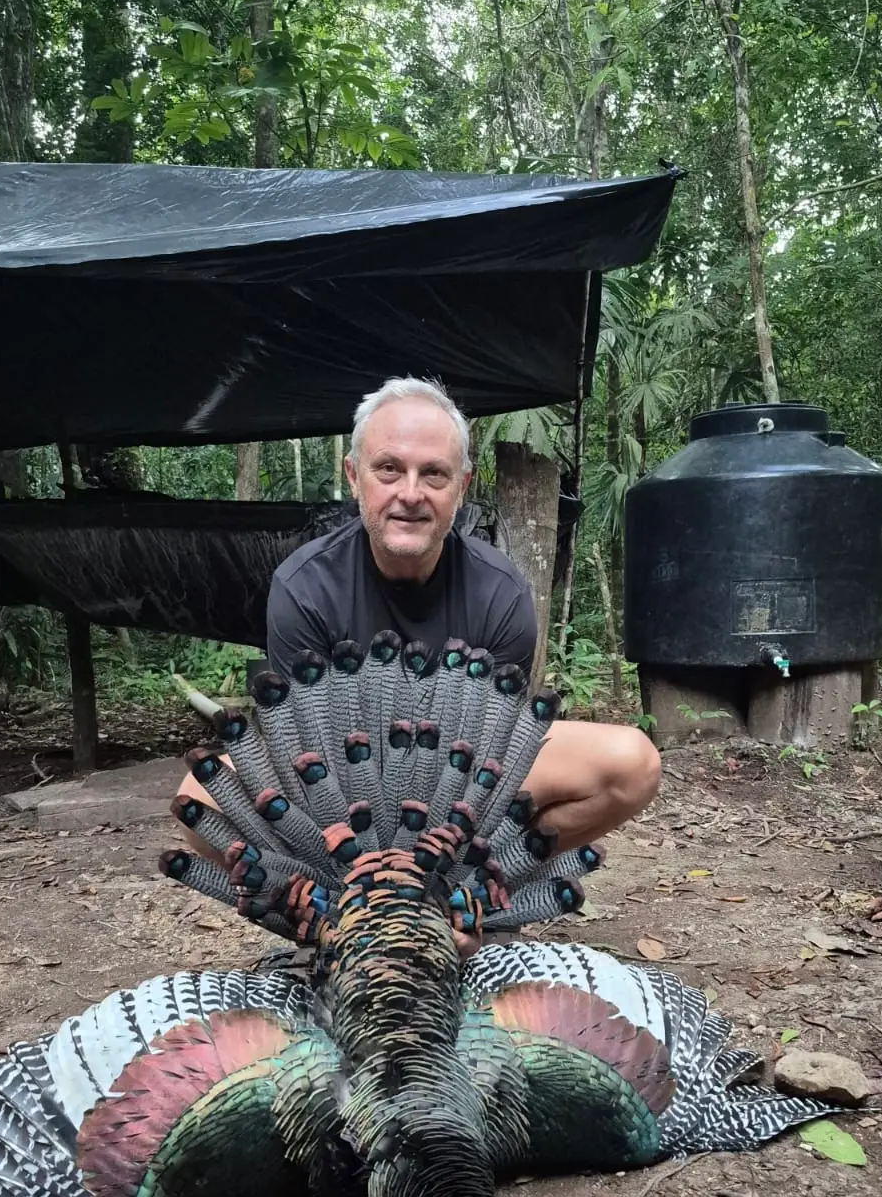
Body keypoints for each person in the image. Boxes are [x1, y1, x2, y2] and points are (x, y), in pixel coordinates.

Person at [176, 376, 662, 945]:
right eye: (389, 469)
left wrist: (443, 898)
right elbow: (305, 753)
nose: (411, 492)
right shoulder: (305, 587)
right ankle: (331, 918)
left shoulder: (500, 592)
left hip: (464, 780)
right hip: (342, 779)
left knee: (632, 762)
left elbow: (496, 757)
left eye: (434, 473)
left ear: (461, 486)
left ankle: (480, 898)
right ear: (354, 477)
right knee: (201, 798)